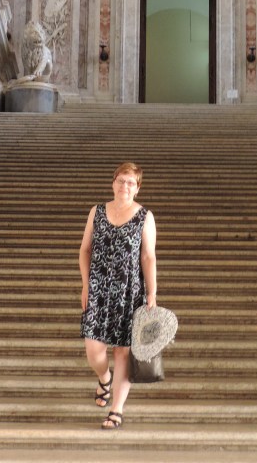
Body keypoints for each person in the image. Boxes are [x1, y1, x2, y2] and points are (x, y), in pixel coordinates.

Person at [79, 161, 157, 430]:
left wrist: (152, 294)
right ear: (113, 183)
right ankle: (104, 377)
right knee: (93, 348)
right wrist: (86, 284)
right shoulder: (97, 212)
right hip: (98, 289)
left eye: (131, 182)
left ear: (137, 188)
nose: (125, 186)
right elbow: (85, 250)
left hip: (129, 291)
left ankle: (116, 409)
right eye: (121, 180)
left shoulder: (144, 216)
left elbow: (148, 256)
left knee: (123, 352)